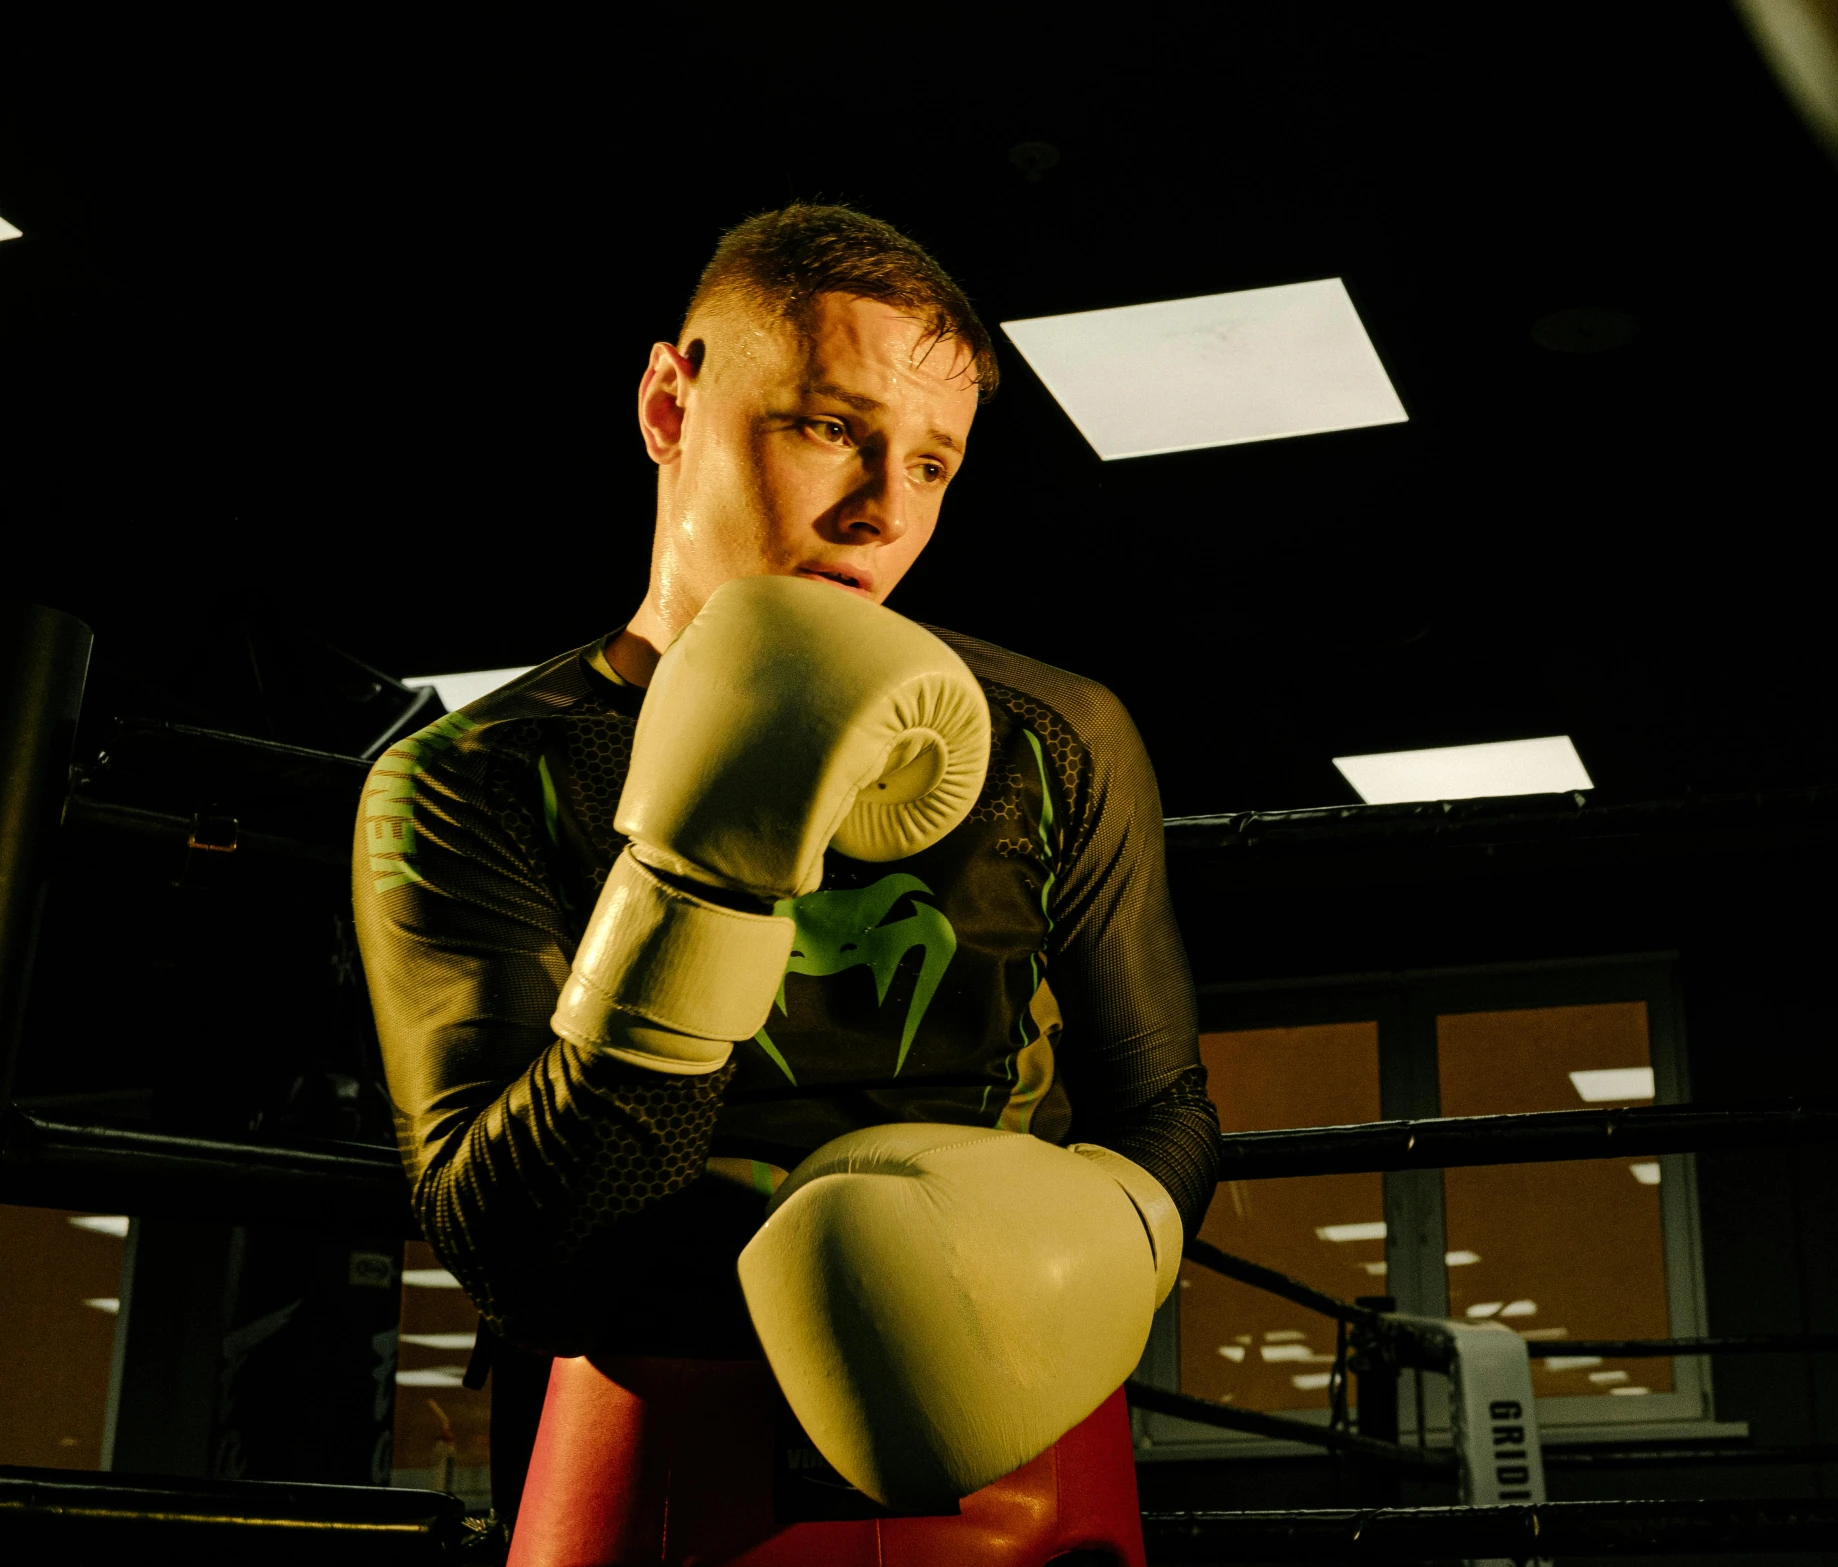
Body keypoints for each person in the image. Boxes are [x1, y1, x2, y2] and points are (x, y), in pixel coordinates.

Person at [352, 204, 1218, 1526]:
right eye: (830, 427)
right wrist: (701, 879)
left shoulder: (1052, 737)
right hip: (648, 1460)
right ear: (666, 402)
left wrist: (1079, 1256)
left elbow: (1164, 1103)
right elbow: (509, 1247)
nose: (882, 512)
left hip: (1019, 1442)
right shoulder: (474, 775)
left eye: (932, 465)